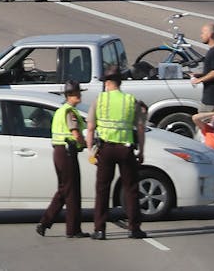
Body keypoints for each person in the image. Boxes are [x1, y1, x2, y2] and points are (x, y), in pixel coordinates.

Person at [86, 66, 147, 240]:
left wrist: (91, 151)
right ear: (120, 83)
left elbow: (90, 128)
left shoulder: (100, 100)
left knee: (102, 189)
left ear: (107, 83)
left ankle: (99, 229)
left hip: (105, 149)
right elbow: (141, 129)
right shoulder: (130, 100)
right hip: (125, 149)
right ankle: (134, 228)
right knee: (131, 188)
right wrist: (141, 151)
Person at [36, 80, 88, 238]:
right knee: (71, 192)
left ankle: (46, 223)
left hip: (60, 152)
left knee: (64, 190)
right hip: (67, 152)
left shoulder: (60, 111)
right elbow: (75, 133)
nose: (79, 96)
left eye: (78, 93)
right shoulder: (69, 112)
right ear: (68, 96)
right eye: (75, 93)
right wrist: (84, 144)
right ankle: (72, 229)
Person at [189, 22, 214, 112]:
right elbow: (212, 70)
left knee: (205, 123)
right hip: (209, 96)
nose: (201, 35)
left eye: (203, 33)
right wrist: (200, 74)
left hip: (212, 98)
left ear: (209, 34)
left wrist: (199, 80)